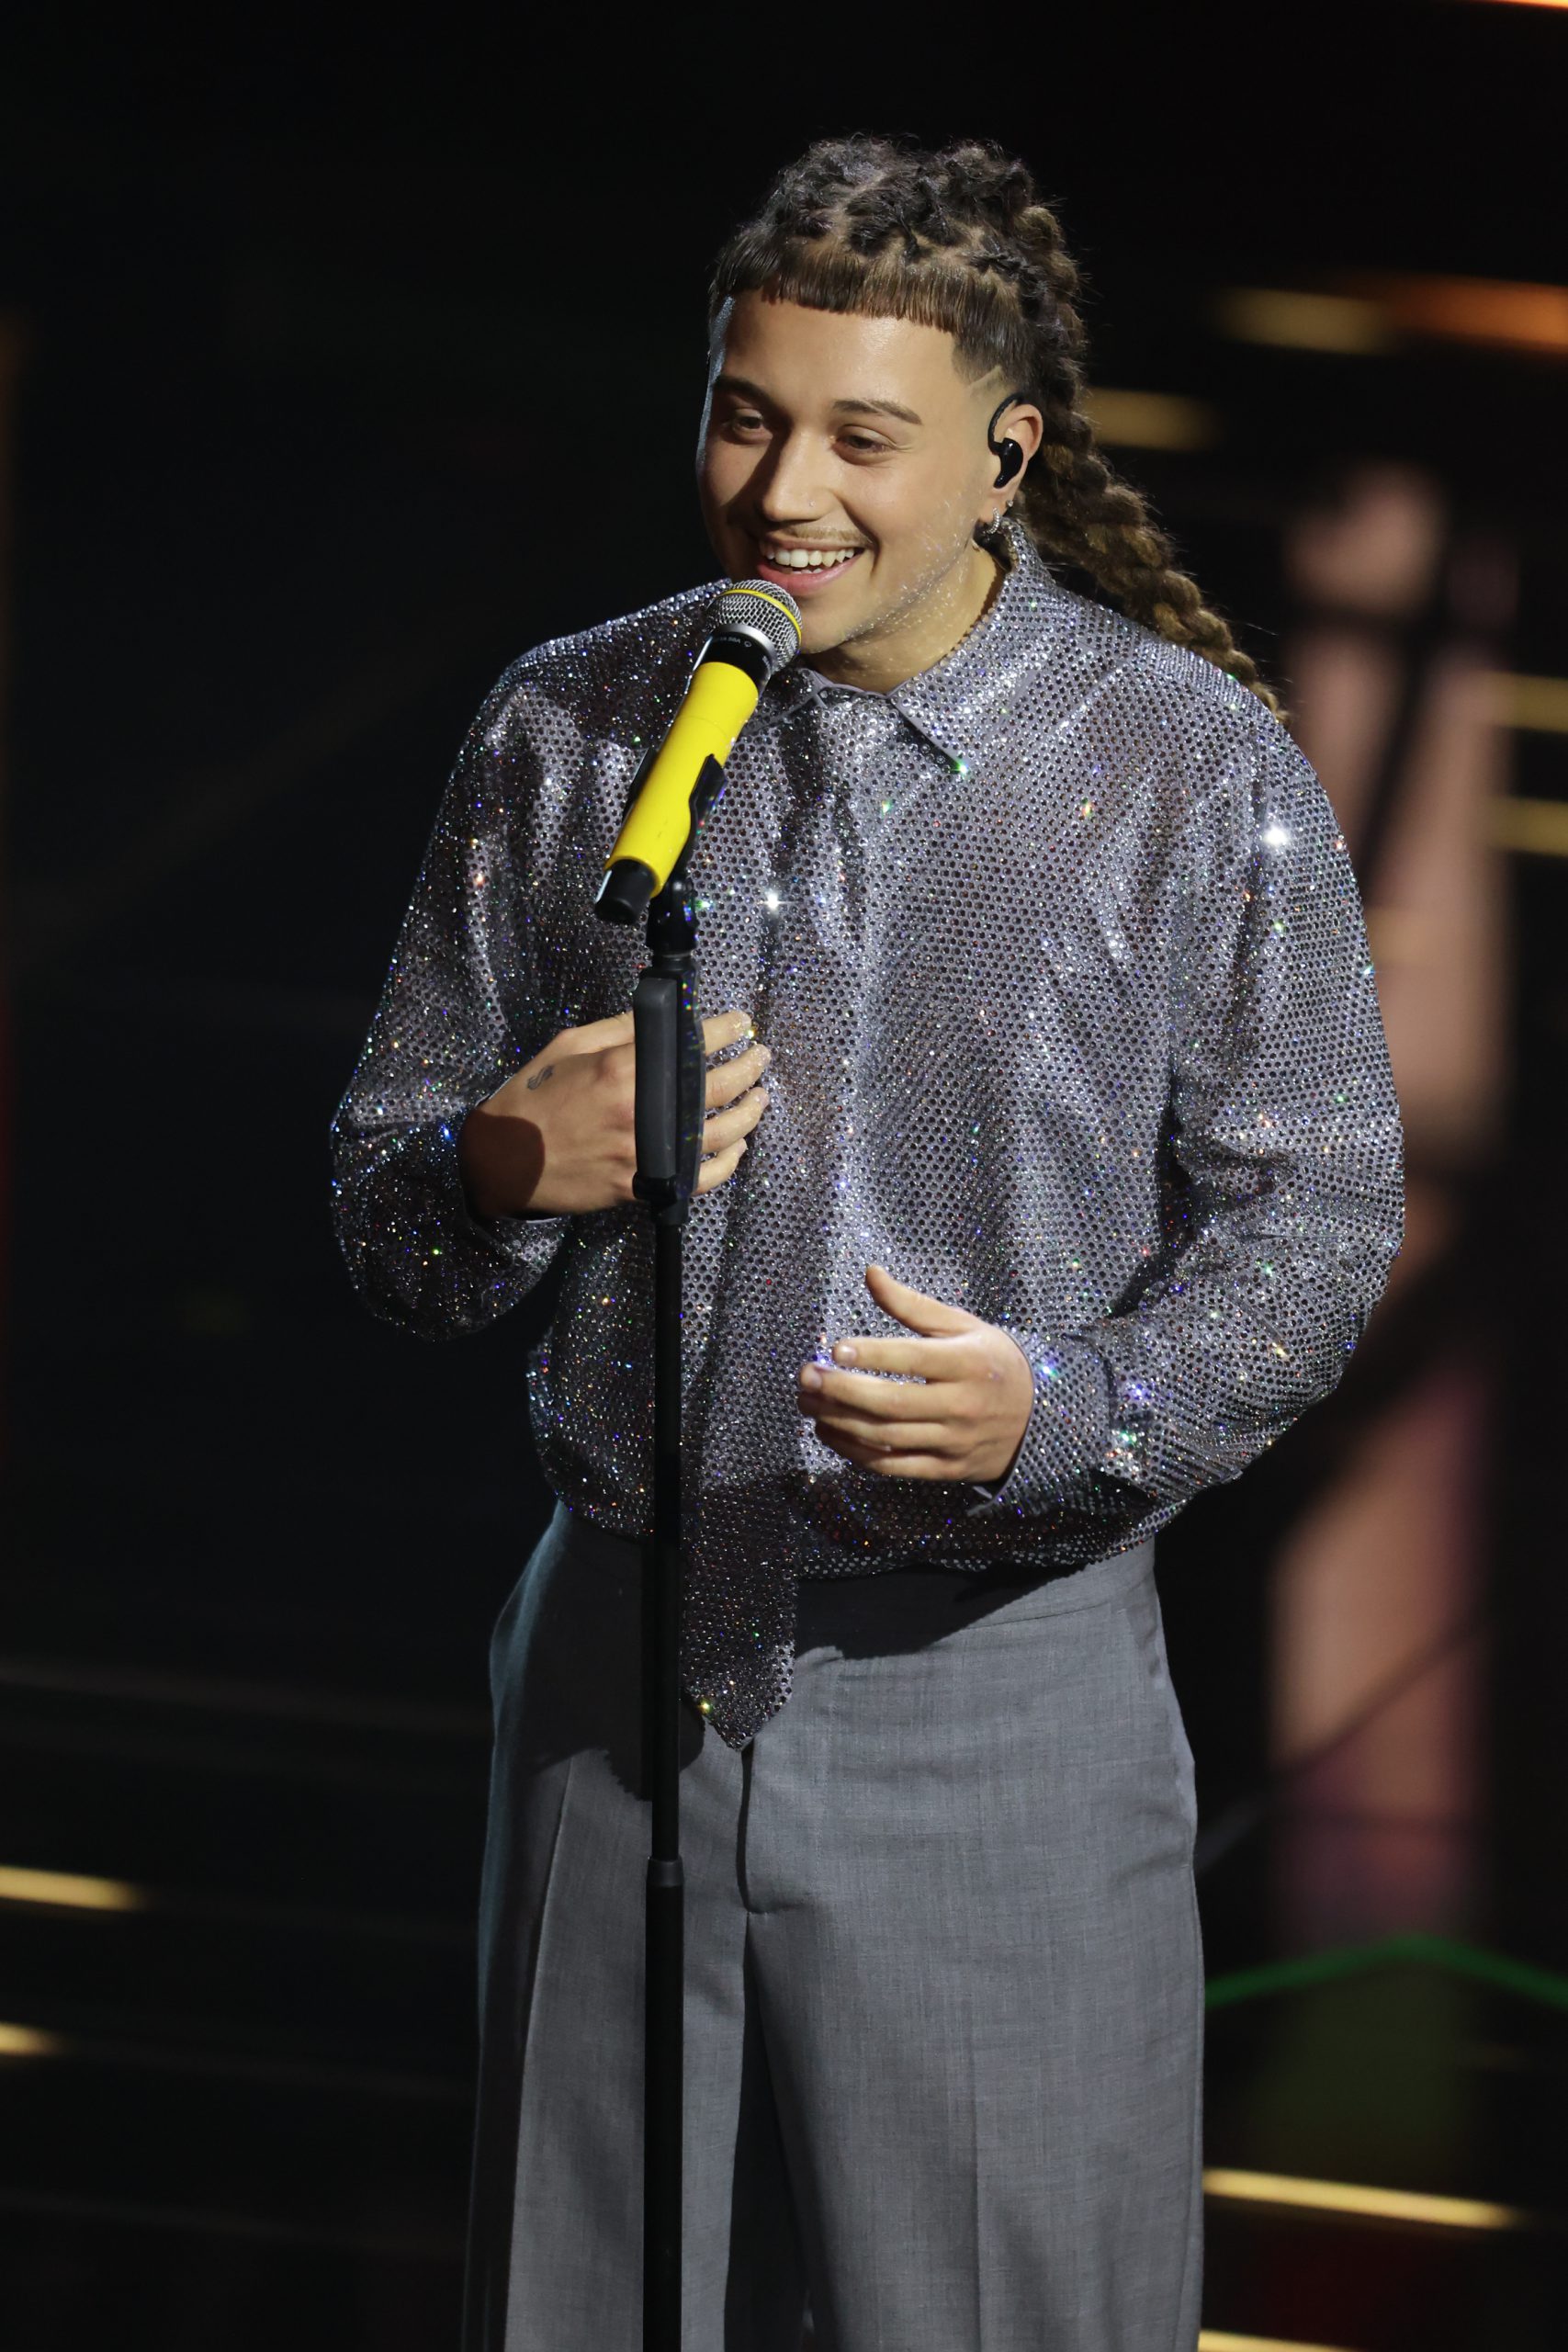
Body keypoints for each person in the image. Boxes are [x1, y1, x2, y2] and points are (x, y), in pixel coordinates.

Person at [331, 134, 1404, 2352]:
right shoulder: (575, 726)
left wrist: (1069, 1407)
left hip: (989, 1699)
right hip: (609, 1673)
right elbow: (383, 1212)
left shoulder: (1185, 767)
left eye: (857, 437)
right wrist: (495, 1164)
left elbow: (1313, 1220)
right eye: (743, 415)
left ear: (1004, 453)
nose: (779, 489)